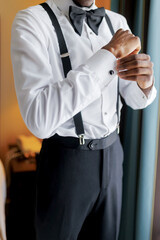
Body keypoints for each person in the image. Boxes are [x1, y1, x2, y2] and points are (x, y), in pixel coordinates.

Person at [10, 0, 157, 239]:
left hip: (113, 154)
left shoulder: (117, 23)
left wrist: (146, 84)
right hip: (66, 162)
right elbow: (39, 119)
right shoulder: (32, 21)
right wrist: (108, 54)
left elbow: (133, 98)